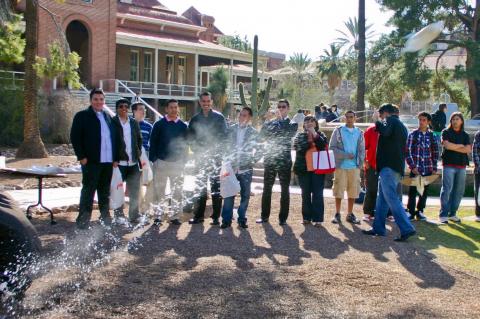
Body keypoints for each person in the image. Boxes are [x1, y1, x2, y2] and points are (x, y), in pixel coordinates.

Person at [362, 103, 416, 242]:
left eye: (381, 114)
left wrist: (378, 121)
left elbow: (384, 131)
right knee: (382, 199)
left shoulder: (390, 120)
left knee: (391, 198)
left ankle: (406, 228)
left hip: (388, 167)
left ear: (386, 113)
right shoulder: (402, 126)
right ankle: (379, 228)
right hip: (395, 166)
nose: (380, 117)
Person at [70, 88, 119, 229]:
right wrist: (81, 157)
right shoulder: (82, 116)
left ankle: (105, 219)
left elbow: (114, 139)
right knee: (88, 191)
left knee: (104, 192)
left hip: (107, 162)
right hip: (91, 161)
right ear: (91, 100)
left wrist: (115, 158)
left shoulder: (108, 117)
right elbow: (75, 137)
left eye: (101, 99)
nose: (99, 102)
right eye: (96, 99)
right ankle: (83, 221)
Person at [188, 92, 228, 225]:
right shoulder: (195, 119)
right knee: (200, 188)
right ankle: (198, 216)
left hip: (215, 159)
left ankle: (216, 217)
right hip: (200, 159)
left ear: (211, 102)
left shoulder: (219, 118)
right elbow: (190, 138)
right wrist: (196, 150)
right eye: (203, 101)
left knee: (216, 188)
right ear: (200, 102)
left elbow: (224, 138)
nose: (206, 103)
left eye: (208, 101)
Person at [257, 99, 298, 226]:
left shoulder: (292, 123)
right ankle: (264, 216)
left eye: (283, 107)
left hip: (284, 161)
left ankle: (283, 218)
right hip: (270, 159)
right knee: (267, 188)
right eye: (279, 107)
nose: (280, 109)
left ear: (288, 108)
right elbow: (261, 137)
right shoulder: (272, 123)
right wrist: (267, 120)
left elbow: (288, 133)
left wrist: (280, 120)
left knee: (284, 189)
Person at [220, 106, 262, 229]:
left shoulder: (253, 132)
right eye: (240, 115)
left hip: (246, 169)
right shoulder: (231, 129)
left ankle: (241, 218)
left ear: (249, 118)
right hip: (231, 168)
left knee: (245, 195)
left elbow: (260, 148)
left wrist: (253, 160)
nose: (241, 117)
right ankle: (226, 220)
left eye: (244, 115)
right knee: (229, 194)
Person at [149, 99, 188, 225]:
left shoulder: (183, 126)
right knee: (159, 191)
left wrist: (184, 161)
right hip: (161, 162)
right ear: (166, 109)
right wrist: (154, 160)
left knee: (177, 191)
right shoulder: (159, 124)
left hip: (177, 163)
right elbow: (153, 143)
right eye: (171, 107)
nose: (174, 109)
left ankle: (175, 216)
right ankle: (158, 216)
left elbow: (186, 145)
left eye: (176, 107)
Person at [329, 110, 365, 225]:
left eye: (351, 117)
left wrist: (359, 164)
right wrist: (345, 155)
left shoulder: (359, 132)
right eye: (347, 117)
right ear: (344, 118)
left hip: (354, 167)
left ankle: (350, 214)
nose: (349, 119)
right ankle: (337, 213)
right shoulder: (338, 131)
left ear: (355, 118)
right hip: (341, 166)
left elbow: (362, 150)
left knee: (353, 192)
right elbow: (332, 147)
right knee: (338, 190)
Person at [112, 99, 143, 223]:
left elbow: (139, 140)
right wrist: (114, 158)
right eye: (121, 106)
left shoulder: (134, 123)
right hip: (119, 163)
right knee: (118, 190)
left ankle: (134, 215)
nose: (124, 108)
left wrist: (138, 153)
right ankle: (119, 215)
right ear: (117, 108)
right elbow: (111, 142)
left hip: (133, 162)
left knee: (134, 191)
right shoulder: (112, 122)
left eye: (126, 106)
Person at [293, 116, 328, 226]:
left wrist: (315, 135)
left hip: (318, 169)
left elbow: (323, 146)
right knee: (306, 194)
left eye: (312, 121)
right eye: (306, 121)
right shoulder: (300, 135)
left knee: (318, 194)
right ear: (303, 124)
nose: (309, 123)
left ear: (316, 124)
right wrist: (310, 139)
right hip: (304, 169)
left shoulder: (321, 135)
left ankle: (318, 219)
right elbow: (300, 148)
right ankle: (306, 217)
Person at [405, 112, 439, 221]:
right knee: (413, 191)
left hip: (427, 168)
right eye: (420, 120)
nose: (421, 122)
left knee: (423, 191)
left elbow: (435, 152)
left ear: (429, 122)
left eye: (424, 120)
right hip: (416, 168)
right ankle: (410, 211)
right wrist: (412, 166)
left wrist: (434, 167)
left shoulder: (432, 135)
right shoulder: (413, 134)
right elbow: (408, 151)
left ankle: (420, 211)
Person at [439, 112, 471, 224]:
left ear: (461, 121)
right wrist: (461, 146)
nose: (455, 121)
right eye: (453, 119)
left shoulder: (465, 135)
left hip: (461, 166)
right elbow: (447, 145)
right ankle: (443, 214)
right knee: (447, 189)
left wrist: (454, 147)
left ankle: (452, 214)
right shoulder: (445, 132)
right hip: (448, 165)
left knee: (459, 191)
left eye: (457, 119)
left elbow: (468, 150)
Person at [472, 129, 480, 222]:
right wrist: (478, 165)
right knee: (478, 192)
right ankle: (478, 214)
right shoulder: (478, 134)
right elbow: (475, 151)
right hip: (479, 169)